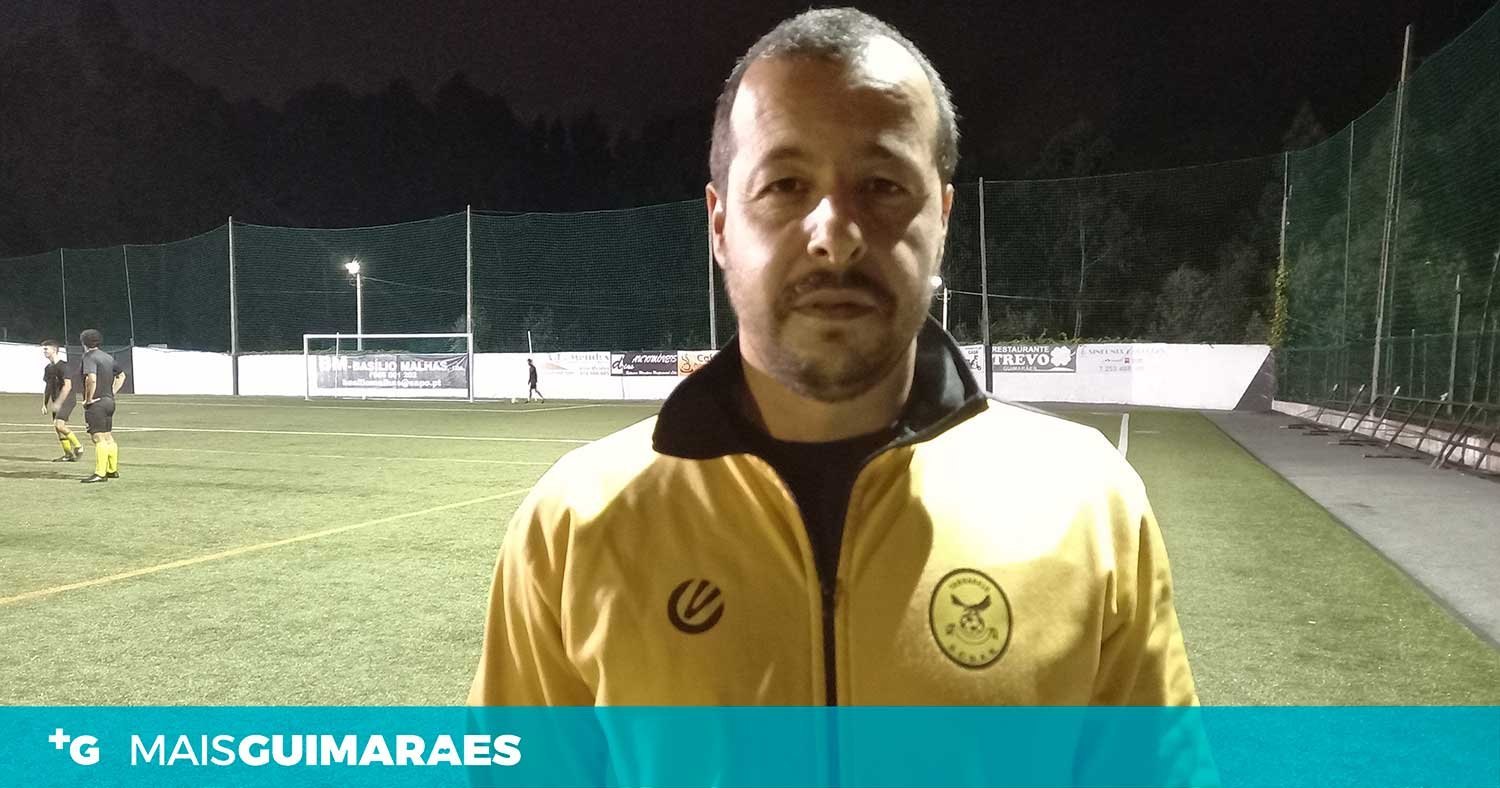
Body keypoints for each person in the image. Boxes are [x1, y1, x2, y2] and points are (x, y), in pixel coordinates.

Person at [471, 8, 1197, 707]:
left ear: (942, 221)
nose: (835, 234)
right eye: (785, 185)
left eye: (882, 186)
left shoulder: (1089, 506)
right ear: (720, 224)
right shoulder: (574, 527)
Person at [78, 329, 126, 484]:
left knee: (98, 437)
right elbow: (121, 375)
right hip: (109, 402)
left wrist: (88, 399)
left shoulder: (89, 357)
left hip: (97, 403)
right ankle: (112, 470)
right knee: (107, 436)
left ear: (83, 342)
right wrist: (112, 392)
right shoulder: (108, 357)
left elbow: (91, 379)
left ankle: (100, 473)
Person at [41, 340, 83, 462]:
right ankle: (68, 454)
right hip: (56, 401)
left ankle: (79, 447)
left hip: (67, 400)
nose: (44, 351)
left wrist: (59, 402)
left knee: (59, 425)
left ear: (54, 350)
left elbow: (68, 386)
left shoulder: (64, 366)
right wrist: (44, 404)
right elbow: (48, 386)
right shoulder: (48, 368)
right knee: (58, 429)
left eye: (46, 349)